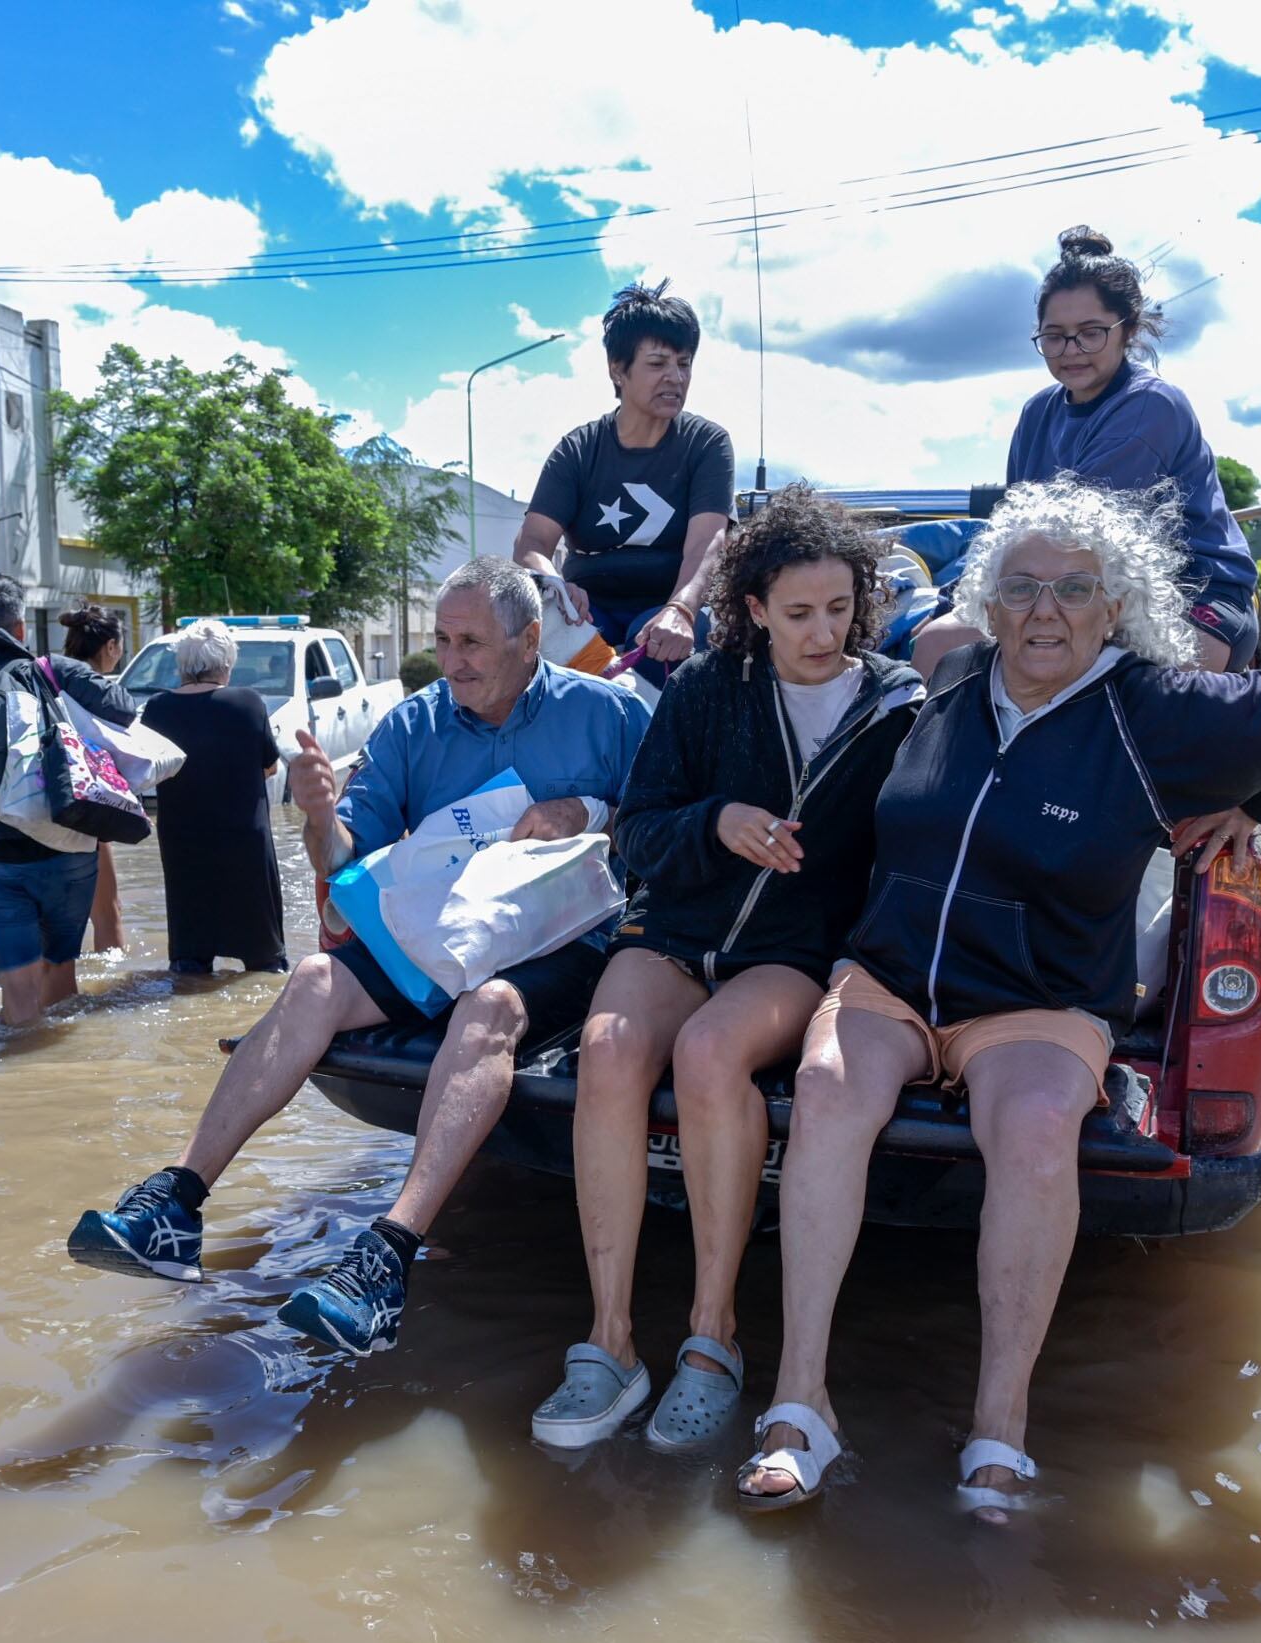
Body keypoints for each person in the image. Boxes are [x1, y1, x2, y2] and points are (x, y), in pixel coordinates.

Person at [738, 477, 1261, 1520]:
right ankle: (799, 1404)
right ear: (985, 603)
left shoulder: (1153, 711)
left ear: (1115, 604)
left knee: (1036, 1127)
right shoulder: (947, 682)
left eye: (1075, 589)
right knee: (825, 1085)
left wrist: (1251, 805)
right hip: (891, 980)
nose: (1045, 610)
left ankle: (999, 1428)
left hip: (1035, 1000)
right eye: (1021, 587)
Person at [67, 559, 651, 1355]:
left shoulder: (612, 715)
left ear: (530, 638)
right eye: (443, 641)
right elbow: (344, 859)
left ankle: (387, 1253)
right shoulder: (414, 724)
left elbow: (664, 835)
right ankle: (177, 1200)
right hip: (445, 931)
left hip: (561, 940)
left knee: (488, 1009)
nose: (453, 661)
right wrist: (316, 813)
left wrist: (590, 813)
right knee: (313, 977)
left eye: (472, 642)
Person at [534, 489, 924, 1452]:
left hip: (788, 955)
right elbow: (636, 832)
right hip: (673, 929)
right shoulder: (707, 687)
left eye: (840, 608)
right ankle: (611, 1339)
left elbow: (921, 840)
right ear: (752, 605)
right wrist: (716, 822)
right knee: (608, 1048)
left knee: (711, 1054)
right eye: (798, 613)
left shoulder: (899, 704)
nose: (823, 632)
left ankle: (713, 1337)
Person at [915, 225, 1261, 677]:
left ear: (1128, 331)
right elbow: (1012, 536)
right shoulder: (1038, 413)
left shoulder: (1151, 406)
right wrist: (953, 598)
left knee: (945, 647)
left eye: (1091, 333)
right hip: (1067, 588)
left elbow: (1079, 541)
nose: (1072, 350)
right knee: (932, 640)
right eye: (1055, 336)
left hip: (1195, 593)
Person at [0, 576, 139, 1027]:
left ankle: (14, 1072)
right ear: (19, 629)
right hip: (67, 857)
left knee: (17, 991)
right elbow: (123, 707)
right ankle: (58, 1081)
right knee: (61, 979)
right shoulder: (49, 671)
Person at [514, 280, 735, 683]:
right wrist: (557, 586)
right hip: (586, 608)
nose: (675, 377)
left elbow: (708, 542)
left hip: (667, 602)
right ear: (618, 370)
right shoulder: (578, 449)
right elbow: (531, 544)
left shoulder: (707, 443)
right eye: (657, 364)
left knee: (659, 646)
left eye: (684, 364)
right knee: (543, 648)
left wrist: (682, 609)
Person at [139, 619, 288, 975]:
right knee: (264, 959)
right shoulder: (248, 703)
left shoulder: (157, 708)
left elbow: (148, 772)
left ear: (182, 665)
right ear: (226, 663)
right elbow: (270, 767)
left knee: (189, 960)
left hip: (183, 841)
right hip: (243, 839)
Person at [61, 605, 132, 955]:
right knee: (107, 912)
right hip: (86, 808)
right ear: (110, 647)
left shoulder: (46, 677)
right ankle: (112, 997)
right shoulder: (95, 688)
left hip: (38, 808)